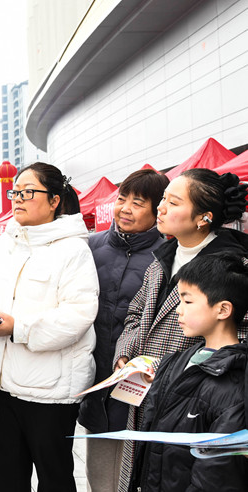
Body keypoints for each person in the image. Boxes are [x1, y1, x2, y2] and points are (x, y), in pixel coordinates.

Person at [113, 169, 248, 491]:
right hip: (148, 392)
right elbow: (135, 313)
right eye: (163, 199)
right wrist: (126, 354)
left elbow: (237, 336)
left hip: (198, 404)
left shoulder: (232, 267)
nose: (160, 208)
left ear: (204, 217)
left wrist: (197, 373)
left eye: (173, 203)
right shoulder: (162, 258)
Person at [0, 162, 99, 491]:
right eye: (15, 192)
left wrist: (19, 328)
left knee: (54, 480)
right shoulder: (6, 243)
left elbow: (78, 315)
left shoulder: (73, 250)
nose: (17, 198)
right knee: (5, 478)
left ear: (55, 200)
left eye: (28, 192)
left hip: (48, 392)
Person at [77, 168, 168, 492]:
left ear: (158, 210)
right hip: (94, 379)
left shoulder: (166, 257)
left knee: (135, 476)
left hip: (138, 383)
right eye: (122, 199)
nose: (125, 209)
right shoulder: (90, 247)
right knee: (99, 475)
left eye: (138, 203)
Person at [128, 252, 248, 491]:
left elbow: (217, 474)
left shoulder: (235, 384)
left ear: (223, 309)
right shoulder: (176, 361)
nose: (178, 310)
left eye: (187, 301)